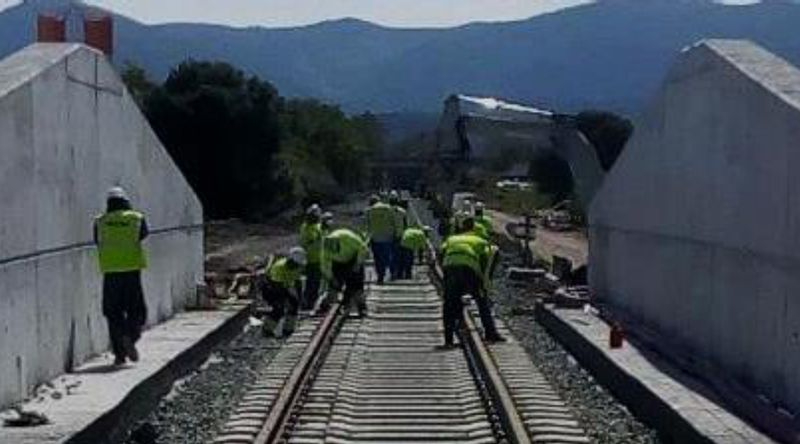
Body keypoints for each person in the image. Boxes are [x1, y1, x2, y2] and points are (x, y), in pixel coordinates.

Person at [94, 186, 149, 365]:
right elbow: (143, 235)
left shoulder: (100, 221)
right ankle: (131, 337)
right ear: (125, 201)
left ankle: (119, 354)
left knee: (113, 313)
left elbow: (97, 241)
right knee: (137, 311)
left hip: (110, 273)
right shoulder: (136, 218)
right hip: (132, 272)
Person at [438, 218, 504, 347]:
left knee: (449, 303)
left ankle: (448, 340)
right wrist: (484, 282)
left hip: (450, 266)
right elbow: (489, 259)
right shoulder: (481, 241)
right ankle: (491, 333)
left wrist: (446, 272)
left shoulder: (452, 239)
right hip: (468, 268)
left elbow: (441, 252)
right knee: (481, 301)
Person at [321, 228, 370, 317]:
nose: (334, 252)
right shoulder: (326, 248)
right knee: (334, 287)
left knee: (357, 286)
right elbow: (325, 266)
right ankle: (324, 306)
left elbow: (363, 248)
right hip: (338, 263)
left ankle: (362, 307)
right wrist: (331, 278)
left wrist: (358, 264)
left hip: (353, 259)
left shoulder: (348, 237)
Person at [261, 247, 307, 337]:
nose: (296, 266)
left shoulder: (297, 267)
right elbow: (278, 287)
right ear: (290, 260)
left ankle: (288, 329)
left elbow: (297, 283)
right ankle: (267, 329)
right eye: (294, 264)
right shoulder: (280, 267)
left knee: (294, 304)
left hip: (283, 286)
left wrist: (300, 297)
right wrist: (286, 299)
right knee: (278, 308)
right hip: (271, 287)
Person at [365, 194, 396, 284]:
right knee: (389, 256)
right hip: (388, 236)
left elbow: (367, 226)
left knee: (378, 258)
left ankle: (380, 276)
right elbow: (393, 221)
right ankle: (392, 273)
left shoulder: (369, 211)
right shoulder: (388, 208)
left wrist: (367, 239)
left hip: (375, 238)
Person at [299, 204, 323, 310]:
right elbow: (309, 240)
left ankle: (310, 302)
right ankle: (309, 302)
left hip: (315, 257)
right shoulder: (309, 227)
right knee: (312, 282)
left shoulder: (312, 226)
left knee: (314, 281)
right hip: (312, 258)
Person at [389, 191, 408, 279]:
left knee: (391, 254)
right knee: (400, 255)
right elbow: (406, 225)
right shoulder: (402, 211)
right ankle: (399, 273)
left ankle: (393, 272)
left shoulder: (386, 211)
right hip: (400, 235)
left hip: (389, 235)